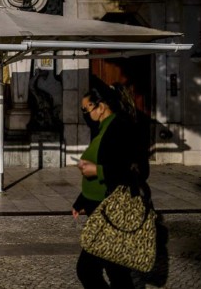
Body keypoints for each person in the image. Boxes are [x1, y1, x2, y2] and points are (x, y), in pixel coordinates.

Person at [72, 82, 145, 289]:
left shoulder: (121, 127)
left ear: (101, 106)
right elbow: (103, 164)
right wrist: (81, 201)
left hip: (113, 211)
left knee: (91, 270)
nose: (85, 114)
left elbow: (136, 169)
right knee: (113, 272)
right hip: (100, 208)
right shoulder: (103, 128)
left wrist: (97, 170)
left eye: (86, 109)